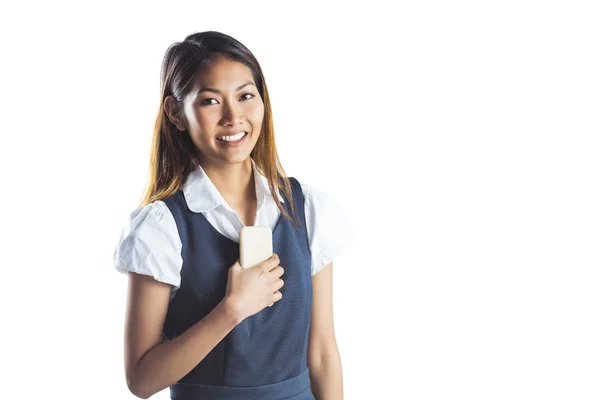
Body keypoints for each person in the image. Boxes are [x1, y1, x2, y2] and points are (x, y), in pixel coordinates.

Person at [113, 31, 354, 400]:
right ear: (176, 113)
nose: (233, 117)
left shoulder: (307, 209)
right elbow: (142, 381)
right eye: (210, 101)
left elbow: (322, 353)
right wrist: (231, 310)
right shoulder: (162, 227)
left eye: (245, 96)